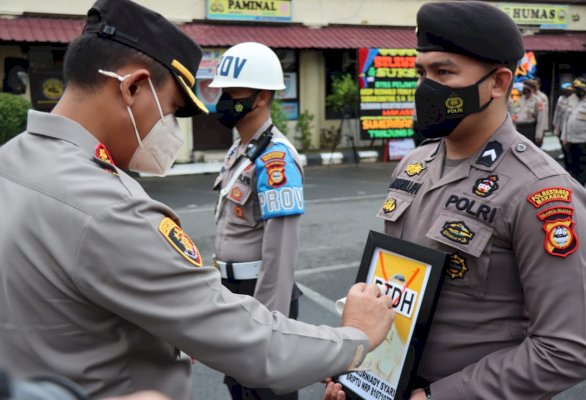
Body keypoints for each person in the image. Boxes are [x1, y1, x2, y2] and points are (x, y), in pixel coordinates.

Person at [0, 1, 396, 399]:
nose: (168, 127)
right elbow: (254, 344)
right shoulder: (110, 208)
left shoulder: (10, 161)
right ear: (133, 87)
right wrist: (355, 337)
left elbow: (279, 253)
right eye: (171, 109)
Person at [372, 2, 586, 399]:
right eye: (421, 73)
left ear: (498, 82)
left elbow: (564, 353)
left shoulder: (540, 191)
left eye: (443, 72)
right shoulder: (413, 164)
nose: (426, 87)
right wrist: (353, 361)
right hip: (387, 382)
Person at [208, 42, 304, 400]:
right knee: (239, 387)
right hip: (232, 295)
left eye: (232, 93)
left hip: (260, 299)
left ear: (261, 97)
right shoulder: (241, 151)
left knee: (265, 393)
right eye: (222, 91)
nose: (223, 100)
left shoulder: (276, 161)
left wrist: (267, 325)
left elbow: (280, 256)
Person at [561, 78, 586, 186]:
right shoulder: (572, 100)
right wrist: (564, 137)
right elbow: (566, 120)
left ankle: (581, 187)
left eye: (580, 88)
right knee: (571, 164)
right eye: (576, 89)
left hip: (584, 140)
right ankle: (573, 186)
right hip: (570, 139)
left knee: (582, 165)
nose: (578, 91)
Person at [513, 79, 545, 146]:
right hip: (518, 129)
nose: (524, 90)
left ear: (532, 89)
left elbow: (540, 119)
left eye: (527, 88)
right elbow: (514, 115)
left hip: (530, 130)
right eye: (523, 88)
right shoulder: (519, 99)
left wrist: (538, 135)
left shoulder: (537, 101)